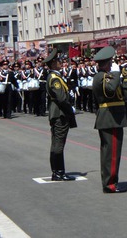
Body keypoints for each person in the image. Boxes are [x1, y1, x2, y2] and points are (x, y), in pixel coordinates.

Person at [92, 46, 127, 193]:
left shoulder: (106, 77)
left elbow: (123, 95)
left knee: (110, 152)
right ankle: (110, 184)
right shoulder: (102, 77)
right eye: (111, 62)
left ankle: (110, 181)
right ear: (107, 63)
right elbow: (110, 90)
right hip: (110, 117)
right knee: (111, 153)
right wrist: (115, 73)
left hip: (111, 116)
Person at [45, 49, 77, 181]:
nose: (60, 62)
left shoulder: (56, 76)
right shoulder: (54, 78)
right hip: (60, 113)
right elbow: (61, 98)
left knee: (57, 143)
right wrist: (70, 107)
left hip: (58, 113)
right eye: (58, 61)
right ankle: (58, 172)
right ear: (53, 64)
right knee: (58, 143)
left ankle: (57, 171)